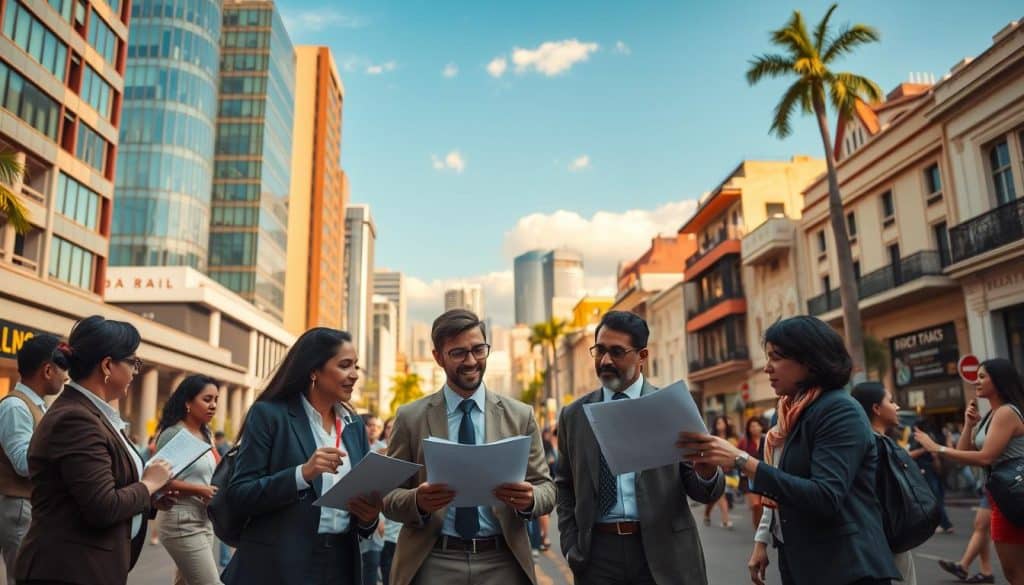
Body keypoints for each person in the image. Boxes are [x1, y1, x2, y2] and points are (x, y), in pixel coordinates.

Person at [681, 315, 899, 585]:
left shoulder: (839, 410)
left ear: (809, 360)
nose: (767, 368)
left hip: (846, 566)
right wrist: (762, 540)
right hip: (798, 560)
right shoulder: (785, 414)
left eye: (776, 358)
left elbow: (825, 496)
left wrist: (741, 460)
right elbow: (781, 486)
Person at [383, 309, 555, 585]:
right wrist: (417, 501)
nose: (471, 361)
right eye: (459, 353)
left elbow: (547, 488)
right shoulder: (410, 417)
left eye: (478, 350)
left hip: (502, 562)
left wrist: (530, 499)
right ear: (438, 357)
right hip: (433, 561)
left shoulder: (520, 415)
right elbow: (388, 497)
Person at [556, 310, 725, 585]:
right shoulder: (574, 415)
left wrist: (706, 473)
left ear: (642, 356)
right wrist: (571, 544)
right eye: (599, 350)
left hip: (664, 553)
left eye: (616, 352)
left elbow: (704, 490)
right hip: (597, 556)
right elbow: (564, 485)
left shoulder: (672, 407)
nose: (605, 360)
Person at [14, 315, 176, 585]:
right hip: (66, 570)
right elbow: (102, 506)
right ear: (107, 365)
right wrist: (148, 485)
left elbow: (95, 492)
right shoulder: (76, 419)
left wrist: (148, 500)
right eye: (133, 362)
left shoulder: (92, 414)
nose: (135, 372)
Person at [222, 328, 382, 585]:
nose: (354, 375)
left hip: (341, 563)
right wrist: (301, 474)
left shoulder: (354, 427)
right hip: (278, 564)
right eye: (344, 365)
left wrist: (369, 517)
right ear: (314, 371)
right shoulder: (269, 415)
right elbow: (240, 494)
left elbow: (362, 512)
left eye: (356, 366)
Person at [912, 358, 1024, 585]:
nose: (976, 381)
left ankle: (968, 567)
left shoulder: (1006, 413)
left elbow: (986, 457)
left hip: (1015, 493)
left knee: (1015, 571)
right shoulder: (992, 415)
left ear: (999, 381)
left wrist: (937, 448)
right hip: (1001, 495)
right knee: (1013, 571)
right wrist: (969, 425)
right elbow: (964, 454)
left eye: (982, 377)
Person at [0, 334, 66, 585]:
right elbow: (23, 463)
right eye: (63, 368)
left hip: (29, 505)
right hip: (19, 506)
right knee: (25, 577)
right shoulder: (16, 406)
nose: (66, 376)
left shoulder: (36, 406)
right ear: (47, 370)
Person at [154, 374, 222, 585]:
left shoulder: (206, 434)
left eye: (216, 400)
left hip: (204, 518)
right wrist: (199, 490)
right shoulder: (173, 433)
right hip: (180, 520)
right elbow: (157, 479)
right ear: (188, 403)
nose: (213, 405)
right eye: (207, 399)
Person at [851, 381, 917, 585]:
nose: (897, 406)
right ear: (876, 409)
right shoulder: (873, 445)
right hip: (886, 538)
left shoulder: (875, 442)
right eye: (891, 401)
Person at [909, 418, 954, 534]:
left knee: (935, 498)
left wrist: (925, 450)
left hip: (927, 469)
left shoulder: (920, 437)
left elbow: (911, 454)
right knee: (938, 497)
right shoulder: (934, 435)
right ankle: (942, 523)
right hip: (937, 470)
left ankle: (945, 523)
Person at [938, 499, 994, 584]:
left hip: (999, 493)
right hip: (991, 493)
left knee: (982, 526)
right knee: (983, 528)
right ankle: (985, 571)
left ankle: (964, 566)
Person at [360, 414, 386, 585]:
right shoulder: (356, 446)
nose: (373, 429)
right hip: (353, 508)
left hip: (375, 512)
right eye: (370, 425)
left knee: (372, 562)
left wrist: (381, 518)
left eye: (378, 426)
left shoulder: (384, 449)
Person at [703, 415, 737, 530]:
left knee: (715, 496)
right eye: (718, 423)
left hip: (729, 471)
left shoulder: (732, 438)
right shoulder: (712, 438)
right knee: (720, 494)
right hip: (715, 470)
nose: (720, 425)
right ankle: (726, 520)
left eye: (722, 423)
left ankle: (707, 513)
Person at [737, 416, 766, 531]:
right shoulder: (744, 442)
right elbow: (737, 457)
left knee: (764, 505)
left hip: (765, 476)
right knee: (756, 505)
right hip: (748, 478)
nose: (754, 428)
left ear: (761, 427)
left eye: (756, 425)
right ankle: (758, 530)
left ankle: (763, 529)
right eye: (752, 426)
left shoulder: (767, 439)